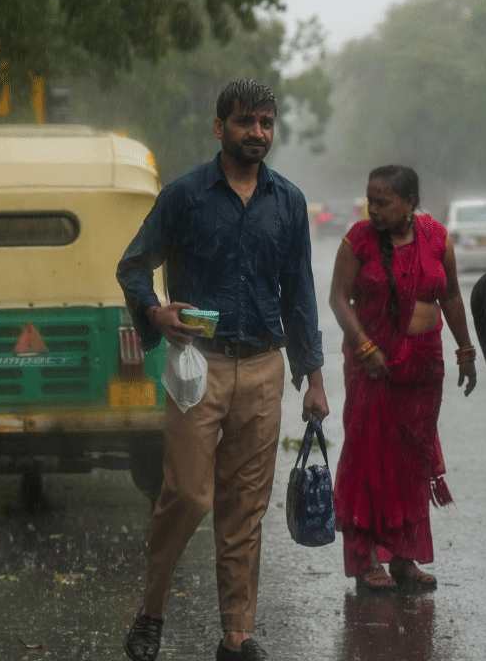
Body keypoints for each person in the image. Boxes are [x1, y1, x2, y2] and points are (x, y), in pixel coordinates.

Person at [117, 79, 328, 661]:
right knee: (187, 494)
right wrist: (156, 312)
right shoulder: (184, 196)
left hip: (262, 367)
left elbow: (300, 294)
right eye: (245, 121)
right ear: (220, 128)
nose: (257, 132)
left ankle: (236, 634)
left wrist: (313, 378)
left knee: (245, 507)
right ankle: (151, 610)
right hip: (197, 366)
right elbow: (133, 267)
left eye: (266, 122)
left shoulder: (287, 202)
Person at [328, 164, 477, 593]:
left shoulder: (436, 237)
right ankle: (367, 558)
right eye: (370, 201)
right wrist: (364, 347)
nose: (373, 209)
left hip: (424, 365)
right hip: (372, 366)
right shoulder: (358, 240)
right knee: (369, 457)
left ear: (410, 202)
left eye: (383, 202)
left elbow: (451, 295)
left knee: (413, 460)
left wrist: (466, 351)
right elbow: (338, 298)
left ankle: (404, 558)